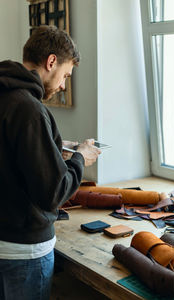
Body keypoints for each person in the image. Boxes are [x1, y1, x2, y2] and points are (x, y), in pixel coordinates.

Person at [0, 25, 101, 300]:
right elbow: (52, 193)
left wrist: (53, 146)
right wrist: (81, 158)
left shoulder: (5, 96)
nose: (63, 85)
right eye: (65, 75)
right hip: (22, 254)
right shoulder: (29, 109)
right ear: (51, 61)